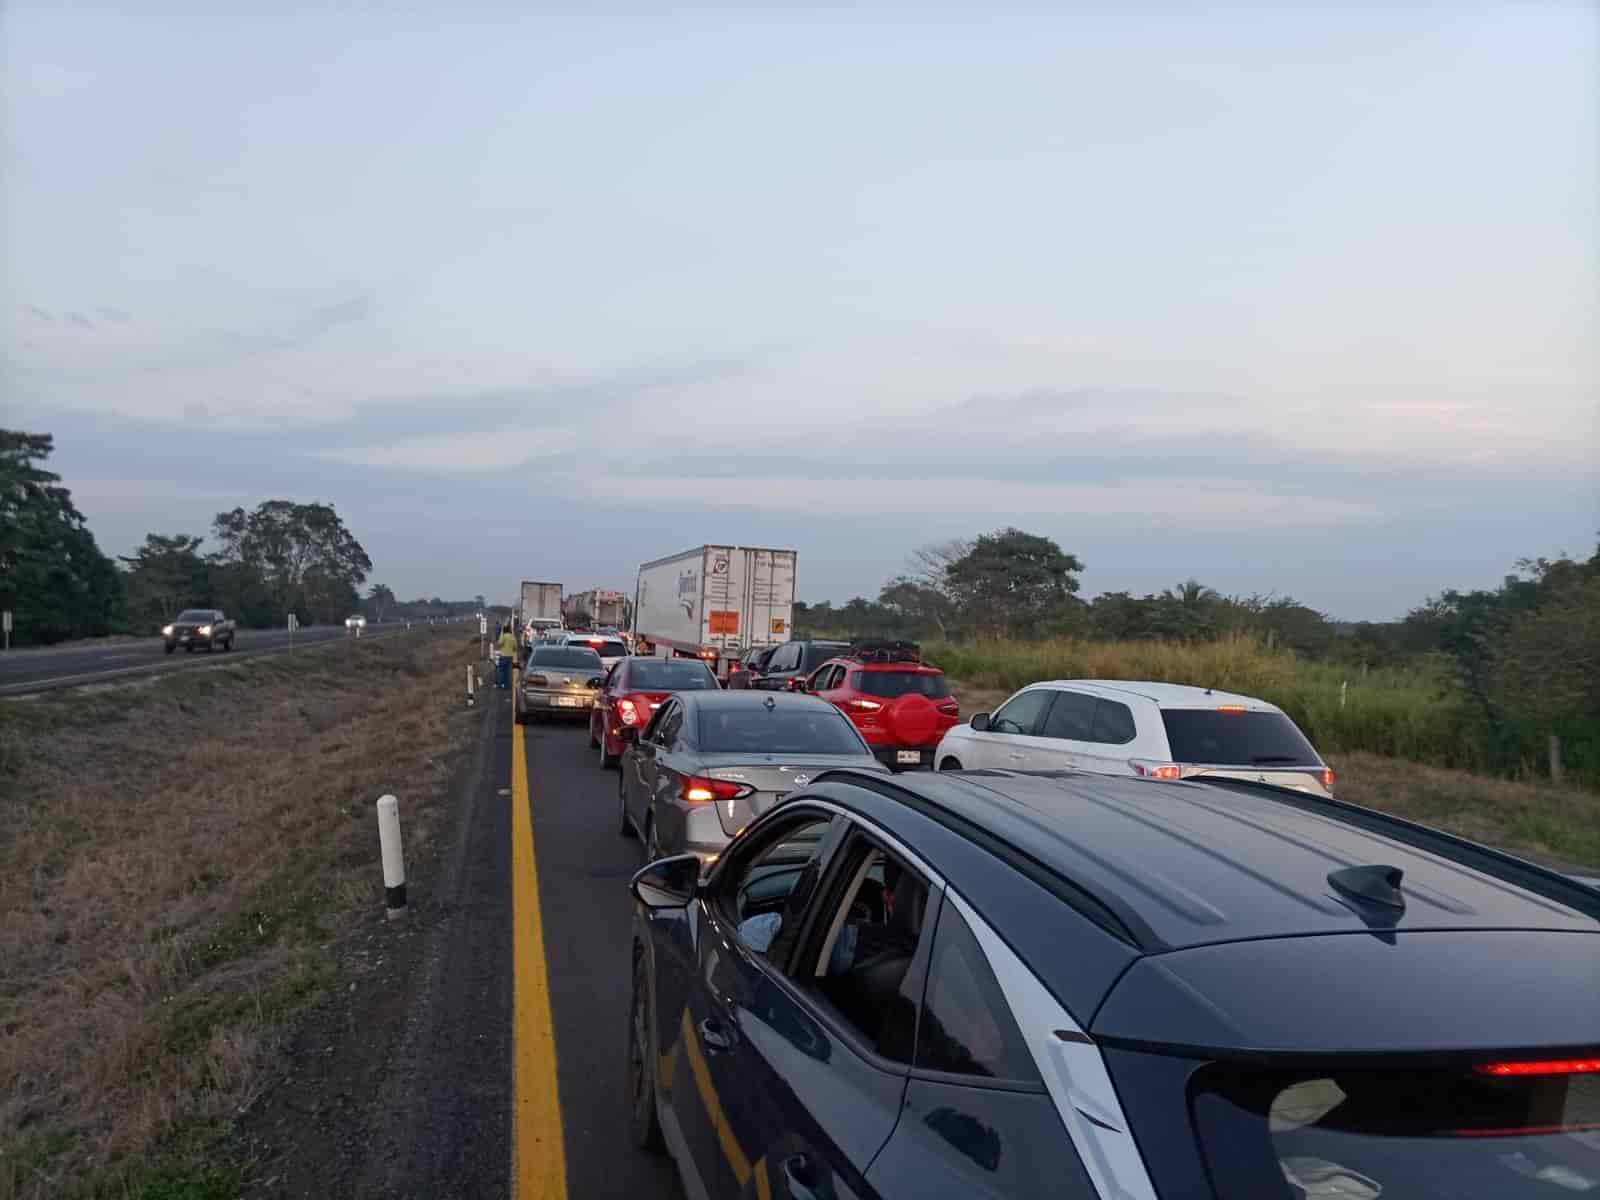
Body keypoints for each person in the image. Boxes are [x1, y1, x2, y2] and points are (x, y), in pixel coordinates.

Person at [495, 624, 519, 689]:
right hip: (510, 656)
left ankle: (501, 684)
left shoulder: (504, 636)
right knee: (508, 671)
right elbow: (515, 647)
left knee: (501, 671)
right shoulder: (512, 637)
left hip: (503, 655)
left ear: (504, 630)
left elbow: (499, 644)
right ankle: (507, 685)